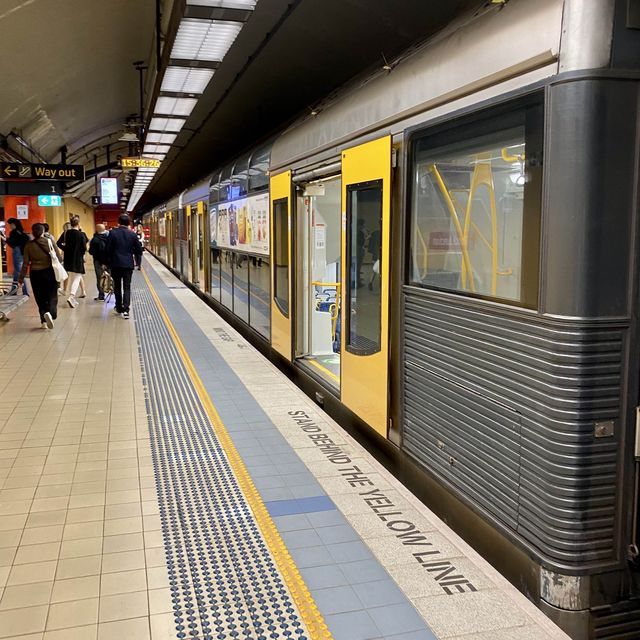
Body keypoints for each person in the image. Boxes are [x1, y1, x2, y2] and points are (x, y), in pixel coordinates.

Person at [18, 223, 61, 329]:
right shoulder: (49, 241)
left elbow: (25, 263)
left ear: (33, 232)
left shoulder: (28, 245)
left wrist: (21, 278)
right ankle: (51, 313)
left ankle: (43, 321)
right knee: (52, 295)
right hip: (49, 272)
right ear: (43, 232)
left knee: (40, 297)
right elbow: (59, 258)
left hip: (35, 273)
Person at [106, 214, 142, 319]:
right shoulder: (132, 234)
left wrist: (107, 263)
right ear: (129, 223)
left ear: (119, 222)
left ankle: (118, 307)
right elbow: (139, 250)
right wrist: (131, 251)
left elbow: (108, 249)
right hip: (128, 264)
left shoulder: (112, 233)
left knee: (117, 286)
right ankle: (126, 310)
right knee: (127, 286)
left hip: (115, 264)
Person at [57, 216, 88, 308]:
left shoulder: (66, 233)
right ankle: (71, 296)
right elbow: (84, 248)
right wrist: (82, 255)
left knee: (72, 275)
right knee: (77, 276)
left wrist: (65, 249)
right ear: (78, 224)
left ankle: (69, 292)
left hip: (68, 258)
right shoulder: (81, 234)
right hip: (77, 258)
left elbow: (58, 243)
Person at [4, 218, 29, 295]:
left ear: (14, 224)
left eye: (11, 225)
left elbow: (12, 243)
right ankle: (13, 291)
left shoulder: (14, 233)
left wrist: (6, 239)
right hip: (22, 252)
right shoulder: (21, 232)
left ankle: (25, 291)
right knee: (16, 272)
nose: (10, 226)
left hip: (17, 252)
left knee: (19, 271)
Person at [88, 224, 109, 301]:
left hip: (98, 262)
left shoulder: (95, 239)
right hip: (109, 262)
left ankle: (101, 295)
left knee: (99, 278)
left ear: (97, 229)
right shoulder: (109, 238)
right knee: (111, 277)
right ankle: (113, 292)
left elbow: (91, 252)